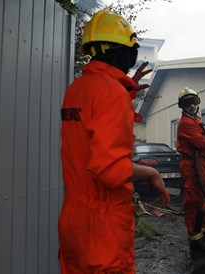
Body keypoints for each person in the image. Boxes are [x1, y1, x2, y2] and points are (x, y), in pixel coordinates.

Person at [59, 10, 170, 274]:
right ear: (126, 51)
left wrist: (126, 89)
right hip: (102, 226)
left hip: (73, 222)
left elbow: (95, 125)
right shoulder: (110, 92)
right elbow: (109, 170)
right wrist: (151, 172)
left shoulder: (78, 89)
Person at [176, 87, 205, 253]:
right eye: (187, 103)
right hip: (193, 167)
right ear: (182, 106)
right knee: (196, 202)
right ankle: (196, 239)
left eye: (194, 102)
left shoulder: (196, 121)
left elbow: (202, 143)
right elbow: (201, 143)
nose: (192, 106)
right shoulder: (186, 123)